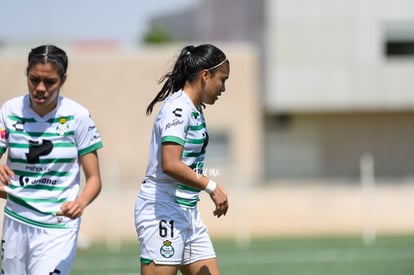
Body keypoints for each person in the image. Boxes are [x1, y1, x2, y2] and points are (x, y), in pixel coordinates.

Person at [0, 45, 103, 275]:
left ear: (63, 79)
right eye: (34, 79)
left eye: (50, 82)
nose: (40, 88)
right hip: (16, 221)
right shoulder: (9, 111)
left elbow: (95, 179)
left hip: (58, 226)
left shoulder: (78, 117)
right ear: (26, 74)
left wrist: (81, 202)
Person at [134, 44, 230, 275]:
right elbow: (170, 163)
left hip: (188, 212)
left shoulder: (195, 110)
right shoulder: (178, 109)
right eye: (223, 80)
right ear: (205, 75)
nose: (224, 88)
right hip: (162, 211)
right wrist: (211, 186)